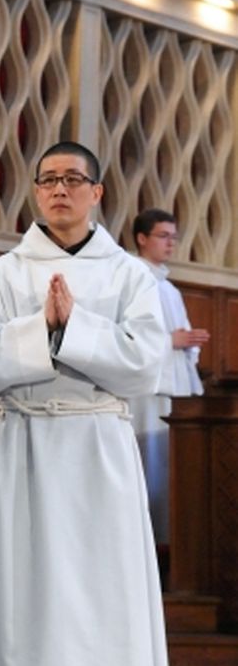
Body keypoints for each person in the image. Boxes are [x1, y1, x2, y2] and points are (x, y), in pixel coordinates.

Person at [0, 141, 178, 666]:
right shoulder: (8, 272)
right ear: (36, 192)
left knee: (94, 592)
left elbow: (145, 364)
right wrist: (40, 325)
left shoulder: (127, 273)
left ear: (97, 193)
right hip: (23, 442)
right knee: (22, 592)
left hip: (95, 448)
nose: (59, 190)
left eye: (74, 179)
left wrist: (75, 325)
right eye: (47, 180)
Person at [129, 208, 208, 545]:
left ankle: (173, 543)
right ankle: (152, 544)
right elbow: (122, 338)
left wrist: (189, 343)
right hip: (148, 393)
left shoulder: (170, 289)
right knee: (150, 467)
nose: (170, 244)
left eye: (173, 237)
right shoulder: (132, 279)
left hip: (176, 389)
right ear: (142, 238)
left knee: (176, 466)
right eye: (163, 236)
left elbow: (183, 337)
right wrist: (169, 342)